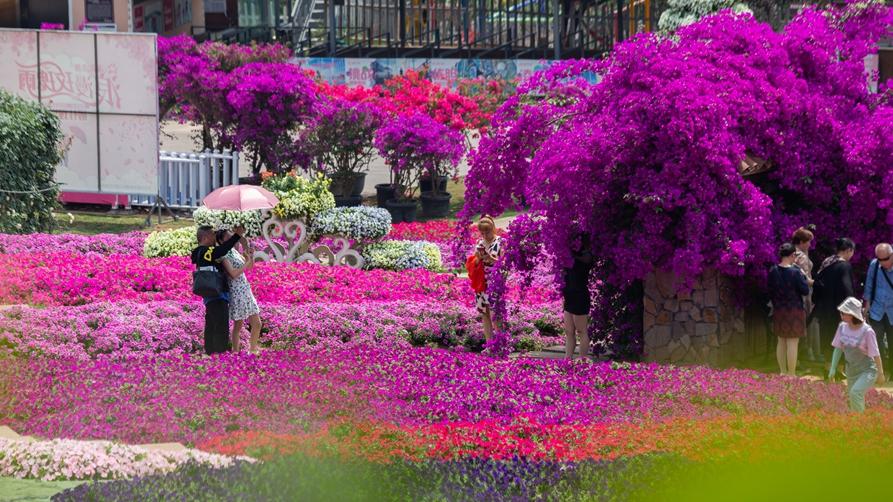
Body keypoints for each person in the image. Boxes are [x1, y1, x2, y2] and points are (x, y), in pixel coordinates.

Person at [191, 225, 245, 355]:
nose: (215, 237)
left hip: (209, 295)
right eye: (212, 235)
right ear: (205, 237)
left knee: (211, 323)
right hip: (217, 294)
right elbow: (221, 251)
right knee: (220, 324)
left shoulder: (197, 252)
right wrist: (237, 235)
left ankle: (210, 351)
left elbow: (219, 251)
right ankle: (220, 353)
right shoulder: (206, 251)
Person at [828, 297, 886, 412]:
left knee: (855, 393)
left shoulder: (867, 332)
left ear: (852, 314)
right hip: (851, 370)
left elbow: (876, 354)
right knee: (852, 397)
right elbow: (838, 349)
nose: (841, 314)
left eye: (844, 312)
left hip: (867, 370)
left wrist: (881, 373)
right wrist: (833, 368)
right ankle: (857, 424)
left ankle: (861, 424)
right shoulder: (842, 328)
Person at [812, 237, 856, 376]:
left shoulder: (826, 263)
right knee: (843, 339)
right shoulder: (845, 266)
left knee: (828, 338)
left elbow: (817, 285)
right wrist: (852, 309)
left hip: (825, 309)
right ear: (849, 250)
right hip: (840, 311)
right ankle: (839, 369)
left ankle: (827, 367)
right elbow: (847, 288)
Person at [216, 230, 262, 354]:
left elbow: (250, 267)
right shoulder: (223, 255)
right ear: (221, 241)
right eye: (229, 237)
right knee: (238, 326)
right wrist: (246, 262)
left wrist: (250, 257)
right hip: (237, 292)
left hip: (246, 290)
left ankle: (252, 350)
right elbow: (233, 274)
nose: (233, 240)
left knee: (257, 323)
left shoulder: (234, 251)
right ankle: (235, 353)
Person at [768, 243, 810, 375]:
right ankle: (791, 374)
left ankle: (783, 372)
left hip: (779, 309)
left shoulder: (773, 270)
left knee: (781, 341)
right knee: (792, 342)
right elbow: (805, 290)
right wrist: (803, 275)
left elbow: (770, 290)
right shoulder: (796, 272)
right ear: (792, 255)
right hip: (794, 310)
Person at [864, 243, 893, 381]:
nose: (883, 262)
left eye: (886, 259)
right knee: (876, 343)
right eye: (880, 259)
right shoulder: (874, 265)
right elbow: (869, 285)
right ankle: (880, 372)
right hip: (877, 310)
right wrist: (867, 305)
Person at [563, 233, 594, 360]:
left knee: (582, 331)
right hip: (569, 295)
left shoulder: (586, 255)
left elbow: (586, 260)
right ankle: (567, 360)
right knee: (569, 332)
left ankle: (583, 360)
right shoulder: (569, 254)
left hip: (580, 295)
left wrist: (572, 253)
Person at [791, 227, 820, 362]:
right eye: (808, 242)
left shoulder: (792, 254)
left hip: (792, 293)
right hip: (804, 293)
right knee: (807, 321)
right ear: (801, 242)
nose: (810, 244)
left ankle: (804, 353)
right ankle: (808, 352)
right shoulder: (801, 257)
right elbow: (805, 277)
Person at [473, 215, 503, 341]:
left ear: (493, 229)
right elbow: (473, 262)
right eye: (482, 232)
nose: (485, 235)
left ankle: (501, 342)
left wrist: (492, 259)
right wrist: (479, 258)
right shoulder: (479, 243)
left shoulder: (500, 242)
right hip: (481, 282)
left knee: (495, 313)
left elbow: (504, 263)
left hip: (494, 281)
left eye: (487, 232)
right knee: (484, 313)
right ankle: (489, 343)